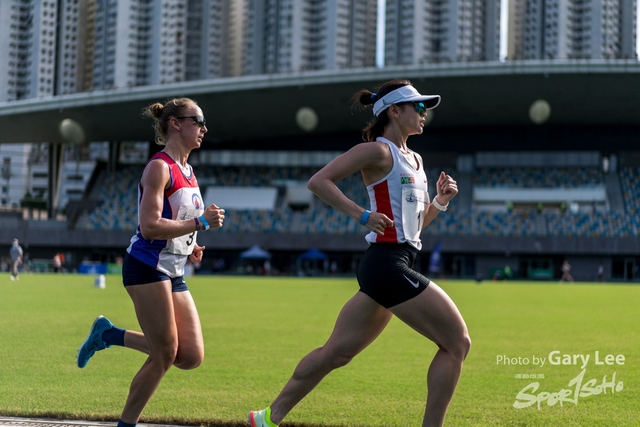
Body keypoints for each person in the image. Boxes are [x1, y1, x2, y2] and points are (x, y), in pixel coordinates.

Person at [249, 79, 471, 427]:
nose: (425, 114)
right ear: (394, 111)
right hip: (386, 264)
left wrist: (440, 203)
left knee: (335, 353)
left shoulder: (416, 159)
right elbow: (319, 181)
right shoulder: (378, 152)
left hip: (393, 262)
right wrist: (362, 214)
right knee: (457, 343)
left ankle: (265, 418)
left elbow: (412, 229)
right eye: (419, 107)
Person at [75, 97, 225, 427]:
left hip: (173, 268)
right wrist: (199, 224)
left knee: (190, 356)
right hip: (146, 266)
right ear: (176, 123)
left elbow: (179, 221)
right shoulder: (159, 167)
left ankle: (109, 335)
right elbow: (150, 227)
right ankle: (126, 424)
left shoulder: (189, 172)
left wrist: (192, 245)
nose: (204, 128)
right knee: (164, 355)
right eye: (198, 121)